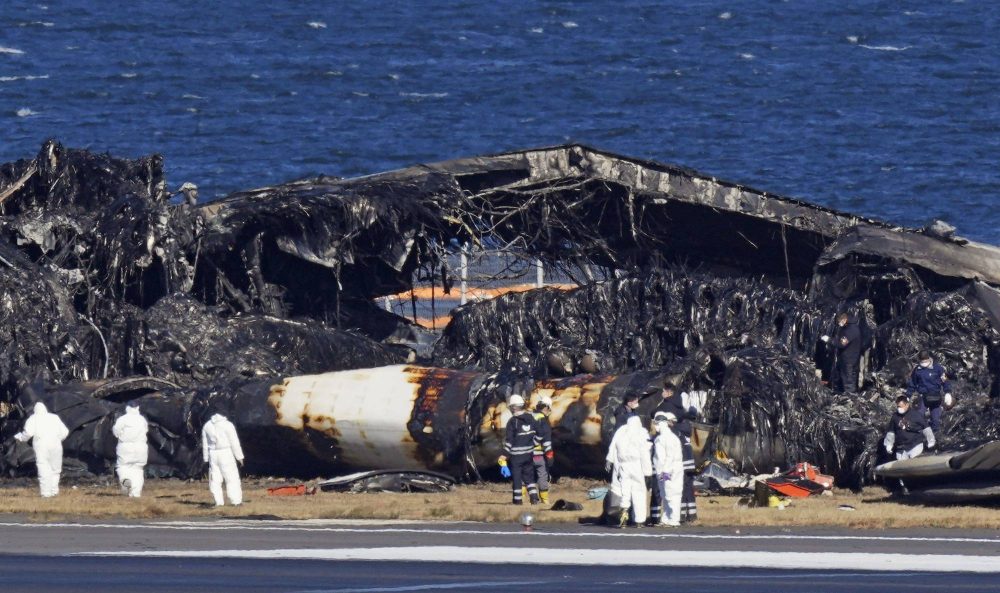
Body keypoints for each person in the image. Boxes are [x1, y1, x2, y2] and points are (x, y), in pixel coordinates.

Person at [653, 380, 697, 523]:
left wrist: (663, 473)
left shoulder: (666, 410)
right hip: (685, 458)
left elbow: (666, 458)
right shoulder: (682, 412)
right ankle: (687, 515)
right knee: (685, 485)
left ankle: (667, 517)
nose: (662, 393)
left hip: (670, 467)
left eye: (664, 391)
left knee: (666, 489)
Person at [605, 416, 653, 527]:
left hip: (623, 467)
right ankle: (639, 521)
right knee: (639, 493)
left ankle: (624, 517)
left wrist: (610, 459)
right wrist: (648, 474)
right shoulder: (641, 433)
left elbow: (613, 446)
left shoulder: (621, 433)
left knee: (625, 492)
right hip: (637, 466)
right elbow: (645, 455)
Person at [14, 402, 70, 497]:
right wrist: (58, 439)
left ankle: (46, 493)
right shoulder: (54, 417)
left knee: (43, 468)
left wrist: (20, 437)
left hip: (41, 445)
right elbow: (65, 432)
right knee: (55, 469)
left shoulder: (33, 418)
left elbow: (28, 433)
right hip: (56, 444)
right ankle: (54, 491)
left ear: (35, 410)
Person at [499, 394, 541, 505]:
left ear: (514, 407)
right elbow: (540, 434)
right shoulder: (531, 418)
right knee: (529, 477)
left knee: (517, 478)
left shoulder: (513, 422)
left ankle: (517, 500)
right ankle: (534, 498)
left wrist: (504, 455)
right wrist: (533, 444)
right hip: (528, 454)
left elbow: (509, 441)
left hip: (516, 456)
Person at [201, 410, 245, 506]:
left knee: (215, 479)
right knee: (231, 478)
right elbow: (234, 442)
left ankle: (218, 502)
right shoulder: (228, 425)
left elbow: (205, 444)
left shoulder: (207, 425)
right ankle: (236, 501)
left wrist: (205, 459)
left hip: (213, 454)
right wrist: (239, 457)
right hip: (226, 452)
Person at [907, 350, 952, 434]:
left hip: (936, 397)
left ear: (929, 359)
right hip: (923, 397)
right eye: (922, 361)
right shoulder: (917, 370)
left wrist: (948, 392)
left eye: (925, 361)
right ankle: (918, 436)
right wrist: (907, 395)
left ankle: (935, 437)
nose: (924, 363)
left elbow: (945, 381)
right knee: (919, 417)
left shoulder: (938, 368)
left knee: (935, 420)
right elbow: (912, 383)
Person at [652, 412, 684, 527]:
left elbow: (670, 456)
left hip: (670, 470)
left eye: (656, 423)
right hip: (663, 471)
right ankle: (666, 518)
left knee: (672, 494)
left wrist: (666, 471)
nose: (655, 426)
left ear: (661, 423)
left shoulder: (668, 438)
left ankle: (674, 519)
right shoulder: (662, 438)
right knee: (665, 495)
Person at [112, 402, 149, 498]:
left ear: (127, 408)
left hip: (125, 446)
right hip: (141, 447)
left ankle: (125, 480)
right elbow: (146, 431)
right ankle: (136, 493)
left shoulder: (123, 419)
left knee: (123, 467)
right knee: (138, 470)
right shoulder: (142, 419)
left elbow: (116, 431)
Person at [884, 394, 935, 460]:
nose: (899, 409)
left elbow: (926, 428)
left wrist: (931, 441)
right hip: (901, 449)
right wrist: (889, 444)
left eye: (901, 406)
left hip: (915, 446)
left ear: (907, 405)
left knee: (915, 465)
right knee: (902, 468)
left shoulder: (915, 415)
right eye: (898, 407)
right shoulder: (895, 417)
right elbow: (891, 431)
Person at [531, 396, 555, 505]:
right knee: (542, 476)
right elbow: (546, 441)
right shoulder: (543, 421)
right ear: (547, 407)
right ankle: (545, 500)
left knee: (525, 477)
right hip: (538, 455)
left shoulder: (529, 417)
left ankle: (520, 499)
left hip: (525, 453)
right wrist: (550, 456)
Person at [831, 313, 863, 394]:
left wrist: (830, 340)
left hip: (849, 360)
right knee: (845, 378)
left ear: (845, 319)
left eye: (839, 321)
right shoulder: (849, 327)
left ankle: (850, 399)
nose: (839, 323)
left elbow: (841, 344)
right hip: (850, 358)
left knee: (849, 381)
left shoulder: (851, 330)